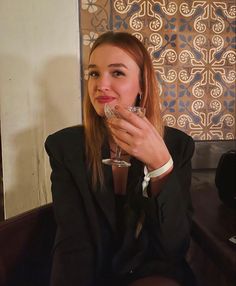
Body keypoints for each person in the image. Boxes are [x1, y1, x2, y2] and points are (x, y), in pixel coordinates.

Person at [45, 31, 196, 286]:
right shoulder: (65, 147)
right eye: (94, 73)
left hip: (154, 273)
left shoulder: (177, 146)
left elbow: (173, 247)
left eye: (117, 73)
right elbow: (72, 241)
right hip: (95, 273)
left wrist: (160, 164)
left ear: (142, 86)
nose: (100, 84)